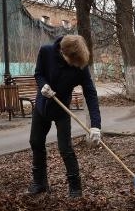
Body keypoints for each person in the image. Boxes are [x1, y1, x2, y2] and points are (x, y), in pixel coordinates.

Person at [27, 35, 102, 198]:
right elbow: (38, 73)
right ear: (63, 52)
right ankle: (40, 182)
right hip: (42, 107)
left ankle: (75, 188)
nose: (75, 65)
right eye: (73, 61)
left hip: (62, 111)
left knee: (65, 148)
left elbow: (90, 93)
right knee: (36, 142)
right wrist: (43, 85)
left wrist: (96, 125)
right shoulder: (46, 52)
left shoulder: (80, 66)